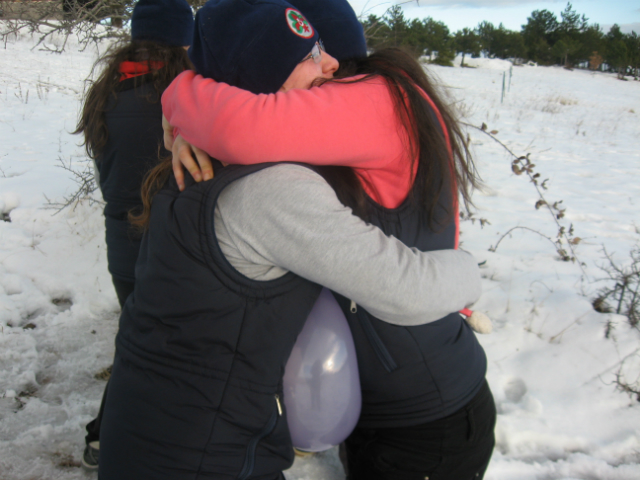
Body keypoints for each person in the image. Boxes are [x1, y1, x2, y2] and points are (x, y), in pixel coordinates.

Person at [97, 0, 484, 479]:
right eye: (307, 54)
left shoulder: (371, 103)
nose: (329, 65)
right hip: (225, 448)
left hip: (426, 402)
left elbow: (239, 124)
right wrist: (184, 105)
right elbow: (242, 126)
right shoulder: (273, 183)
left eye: (323, 48)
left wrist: (181, 100)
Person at [72, 0, 194, 469]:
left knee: (139, 340)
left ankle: (109, 437)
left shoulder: (110, 91)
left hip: (119, 239)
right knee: (154, 350)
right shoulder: (179, 97)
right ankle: (115, 439)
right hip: (166, 240)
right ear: (182, 39)